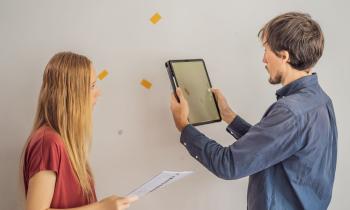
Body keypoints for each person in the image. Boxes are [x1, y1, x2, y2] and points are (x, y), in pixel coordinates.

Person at [170, 12, 337, 210]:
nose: (263, 59)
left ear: (284, 56)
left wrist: (184, 126)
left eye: (266, 50)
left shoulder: (289, 112)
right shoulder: (320, 100)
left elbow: (228, 164)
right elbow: (274, 145)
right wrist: (229, 116)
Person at [21, 52, 138, 210]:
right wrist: (101, 208)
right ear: (71, 93)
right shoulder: (48, 143)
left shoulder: (64, 142)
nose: (98, 92)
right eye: (91, 86)